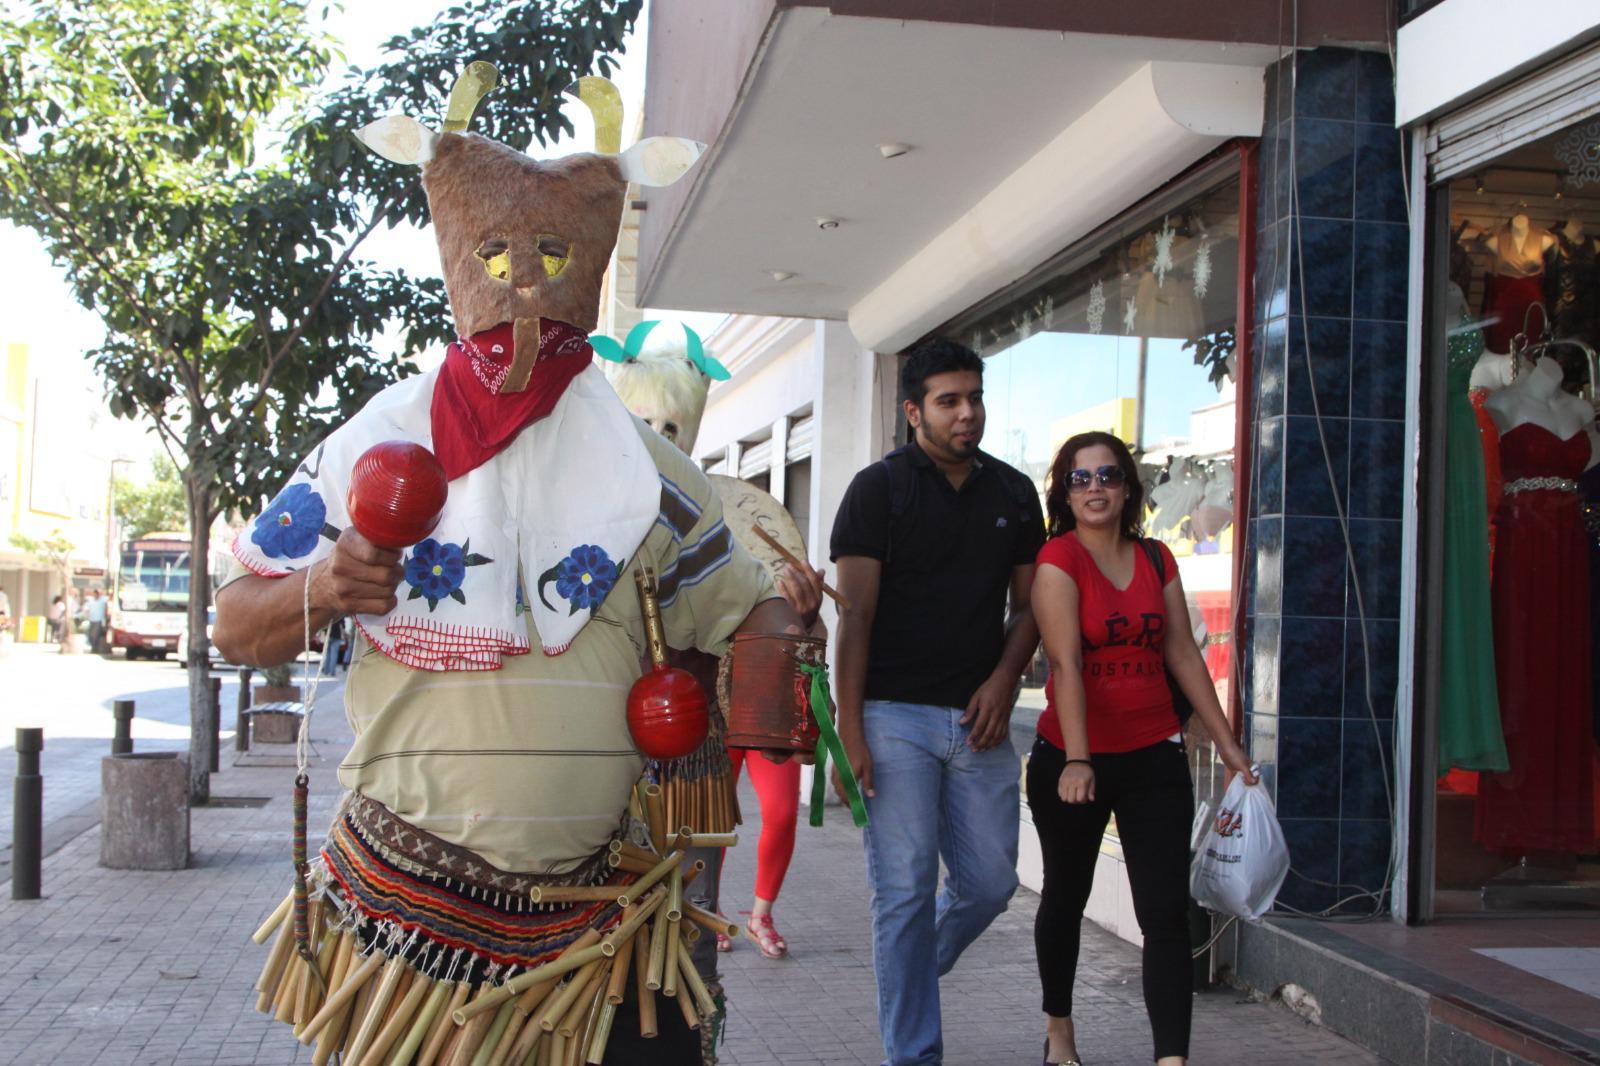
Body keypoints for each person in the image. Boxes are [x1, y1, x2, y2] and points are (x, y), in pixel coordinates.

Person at [214, 68, 781, 1065]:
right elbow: (234, 622)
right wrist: (324, 584)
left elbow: (748, 620)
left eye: (552, 257)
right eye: (500, 258)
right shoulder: (368, 446)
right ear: (459, 264)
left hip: (605, 933)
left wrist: (786, 640)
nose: (524, 289)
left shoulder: (654, 477)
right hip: (411, 942)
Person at [830, 336, 1043, 1066]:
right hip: (893, 718)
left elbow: (1029, 609)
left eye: (975, 399)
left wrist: (1004, 679)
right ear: (913, 409)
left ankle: (914, 966)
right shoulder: (879, 490)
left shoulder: (1014, 493)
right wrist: (847, 729)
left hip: (979, 720)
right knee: (904, 890)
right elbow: (853, 617)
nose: (967, 415)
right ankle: (913, 1053)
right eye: (949, 401)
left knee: (991, 883)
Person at [1028, 431, 1256, 1066]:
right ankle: (1061, 1034)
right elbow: (1066, 664)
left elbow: (1181, 652)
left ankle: (1171, 1060)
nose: (1095, 487)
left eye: (1107, 476)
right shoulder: (1059, 560)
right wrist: (1078, 758)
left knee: (1164, 914)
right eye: (1081, 478)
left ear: (1128, 487)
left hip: (1155, 754)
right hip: (1073, 760)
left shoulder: (1157, 558)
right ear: (1066, 493)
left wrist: (1230, 747)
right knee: (1065, 899)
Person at [84, 587, 109, 654]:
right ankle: (93, 646)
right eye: (95, 594)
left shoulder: (102, 600)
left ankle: (95, 647)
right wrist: (87, 616)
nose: (96, 595)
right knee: (91, 635)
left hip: (99, 620)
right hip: (92, 619)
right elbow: (86, 609)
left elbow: (106, 607)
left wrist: (105, 616)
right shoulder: (90, 601)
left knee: (96, 635)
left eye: (97, 594)